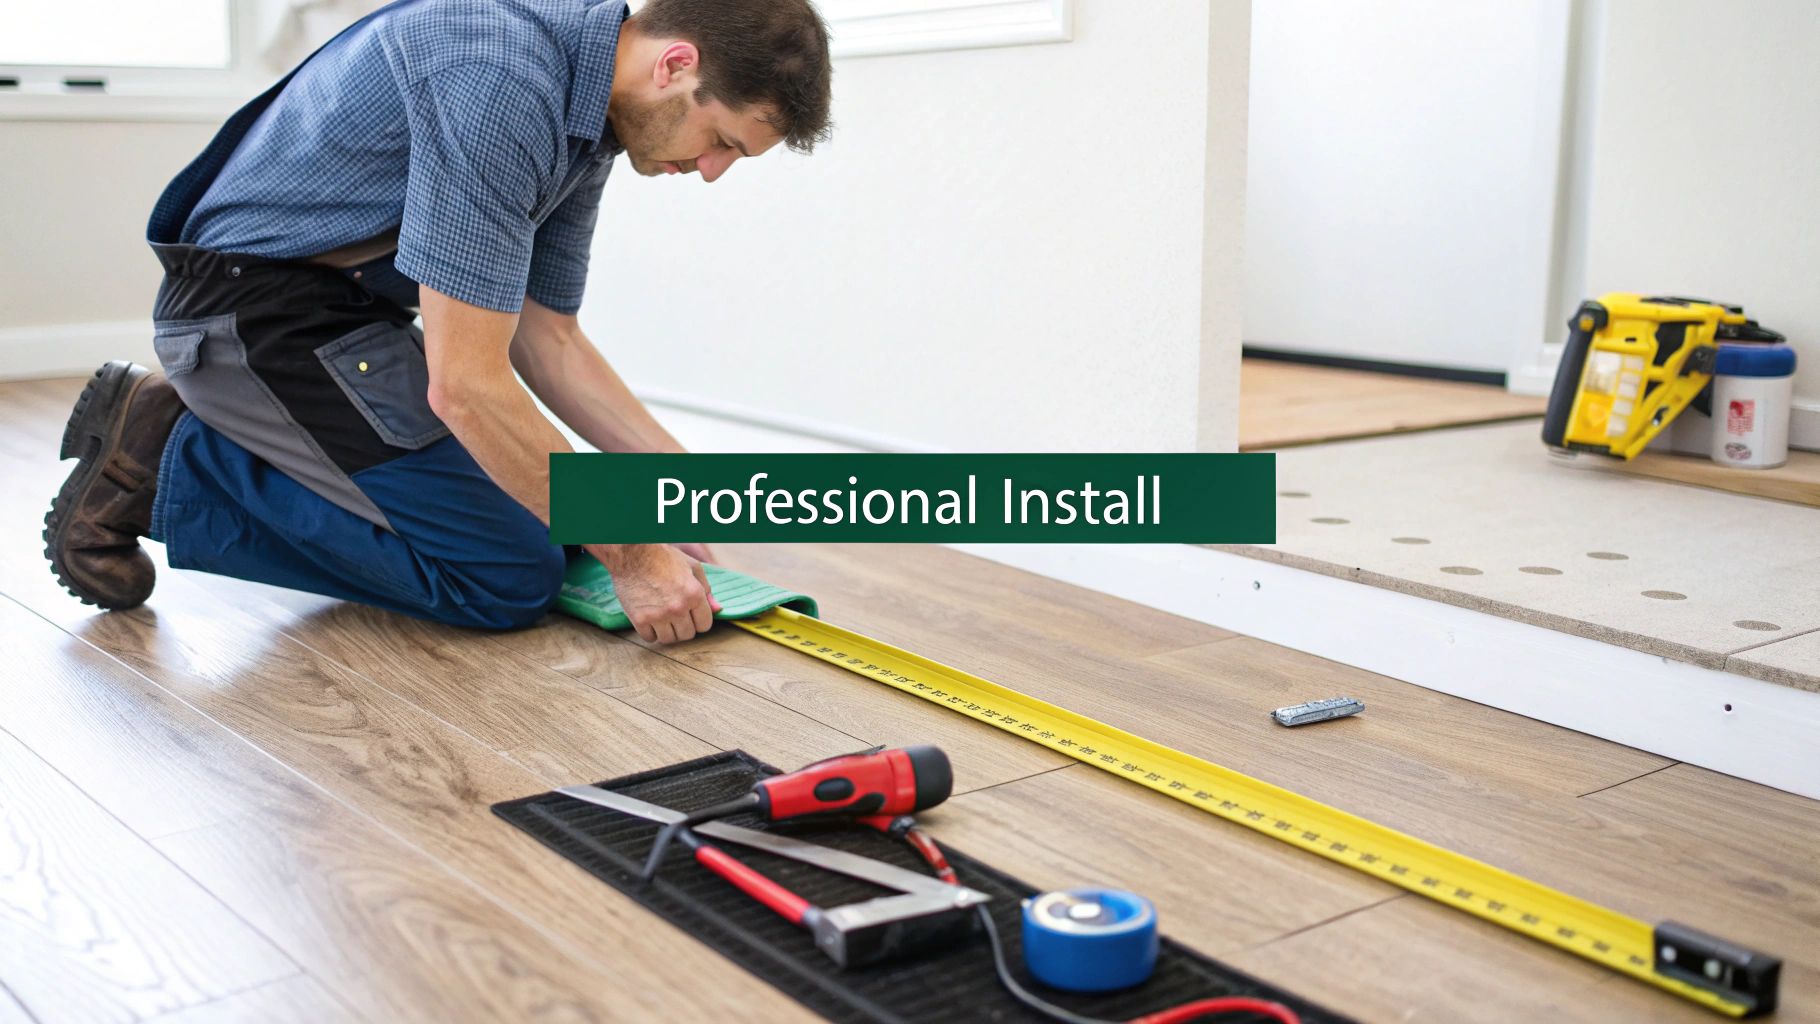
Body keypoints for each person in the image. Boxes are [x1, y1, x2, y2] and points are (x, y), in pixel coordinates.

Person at [41, 0, 833, 644]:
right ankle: (172, 450)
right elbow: (468, 387)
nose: (711, 171)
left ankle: (231, 431)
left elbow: (546, 337)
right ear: (675, 65)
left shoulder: (589, 119)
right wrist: (630, 552)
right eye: (722, 140)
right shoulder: (499, 79)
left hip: (345, 316)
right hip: (248, 313)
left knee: (553, 524)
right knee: (506, 574)